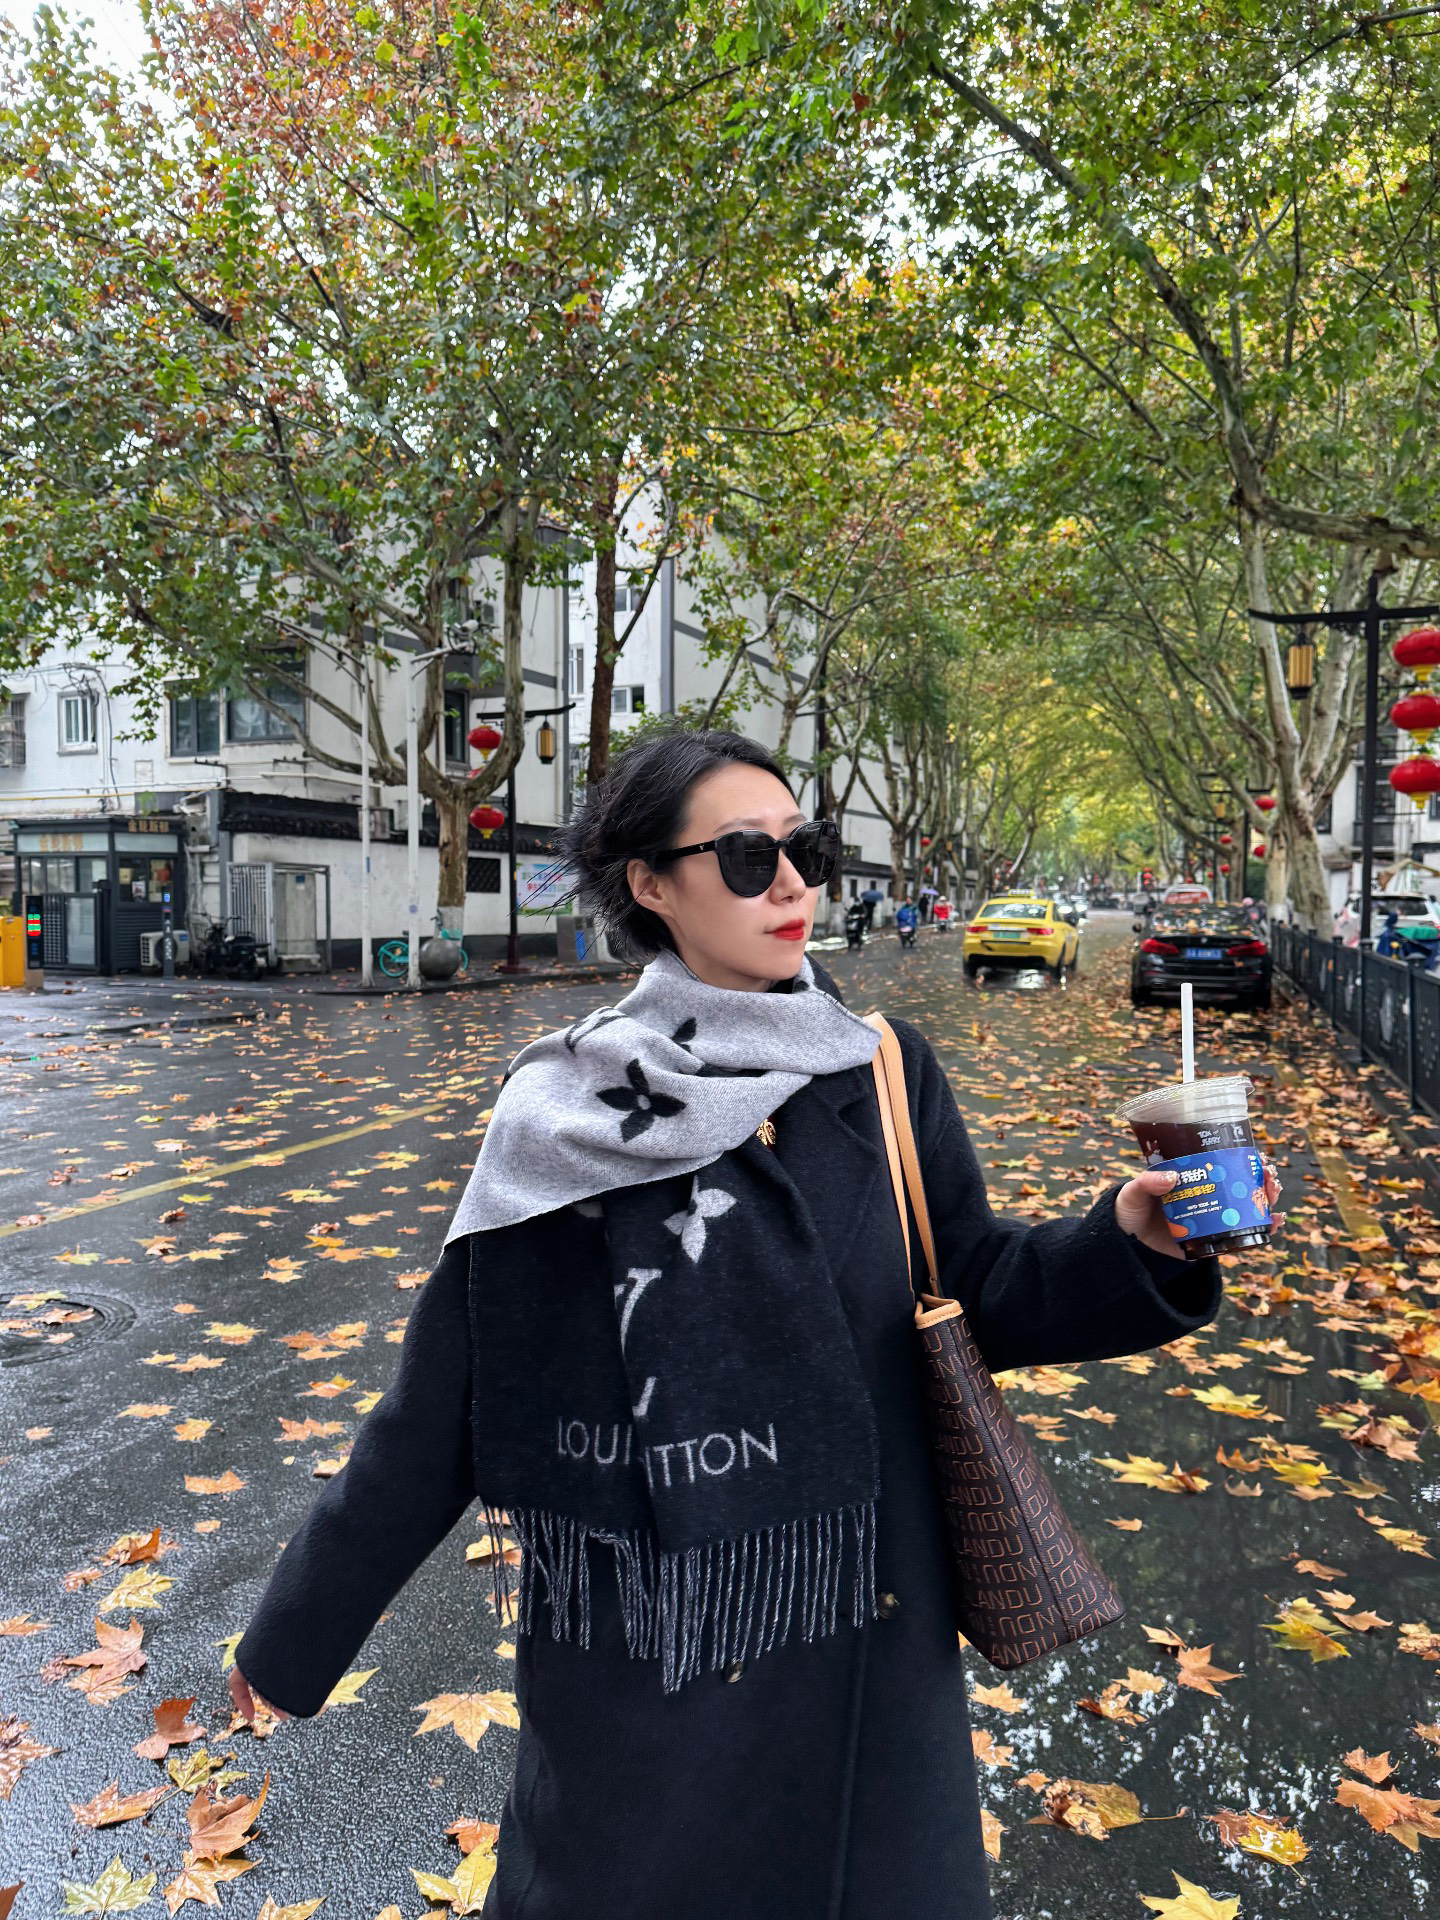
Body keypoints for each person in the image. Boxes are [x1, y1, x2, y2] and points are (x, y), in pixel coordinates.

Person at [227, 726, 1282, 1920]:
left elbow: (978, 1283)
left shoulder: (881, 1069)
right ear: (650, 884)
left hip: (875, 1665)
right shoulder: (564, 1112)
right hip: (654, 1669)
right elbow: (442, 1409)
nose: (790, 886)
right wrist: (295, 1635)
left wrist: (1134, 1237)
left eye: (805, 850)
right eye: (744, 857)